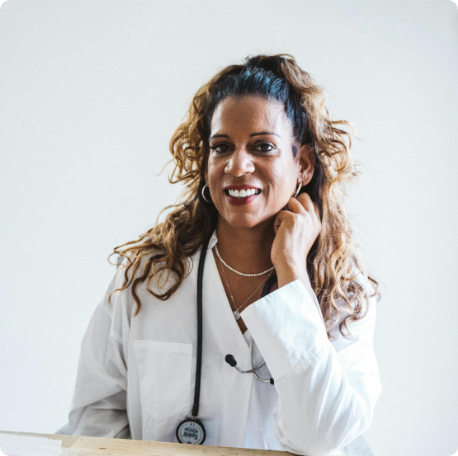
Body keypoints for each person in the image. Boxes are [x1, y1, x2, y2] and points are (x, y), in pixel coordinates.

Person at [57, 54, 382, 456]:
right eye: (222, 147)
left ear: (303, 165)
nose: (237, 165)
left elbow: (321, 437)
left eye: (263, 146)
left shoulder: (344, 295)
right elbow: (95, 420)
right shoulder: (147, 279)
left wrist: (293, 272)